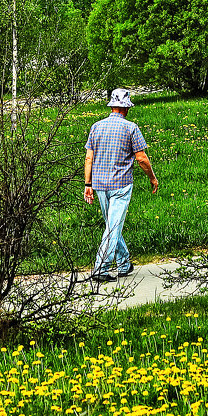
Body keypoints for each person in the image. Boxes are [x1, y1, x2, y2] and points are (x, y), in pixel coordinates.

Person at [83, 88, 158, 282]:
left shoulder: (96, 126)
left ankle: (124, 263)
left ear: (112, 106)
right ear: (125, 108)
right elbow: (141, 158)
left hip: (99, 184)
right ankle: (100, 268)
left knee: (112, 225)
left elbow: (89, 158)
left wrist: (87, 184)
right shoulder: (131, 128)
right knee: (113, 227)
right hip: (121, 184)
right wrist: (152, 177)